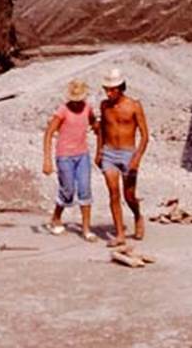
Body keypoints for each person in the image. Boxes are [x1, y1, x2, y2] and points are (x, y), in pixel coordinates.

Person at [42, 79, 101, 242]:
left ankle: (86, 229)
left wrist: (98, 128)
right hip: (65, 155)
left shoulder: (87, 108)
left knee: (85, 189)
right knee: (67, 190)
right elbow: (49, 133)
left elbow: (93, 123)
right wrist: (47, 160)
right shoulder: (62, 111)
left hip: (82, 155)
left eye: (79, 99)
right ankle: (56, 217)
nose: (77, 103)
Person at [97, 68, 149, 248]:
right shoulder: (104, 106)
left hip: (128, 153)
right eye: (106, 89)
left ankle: (137, 215)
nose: (108, 93)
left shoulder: (134, 106)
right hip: (109, 153)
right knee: (113, 193)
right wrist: (99, 152)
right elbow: (102, 130)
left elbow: (144, 136)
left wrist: (137, 158)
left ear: (120, 88)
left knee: (129, 196)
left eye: (111, 90)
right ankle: (120, 234)